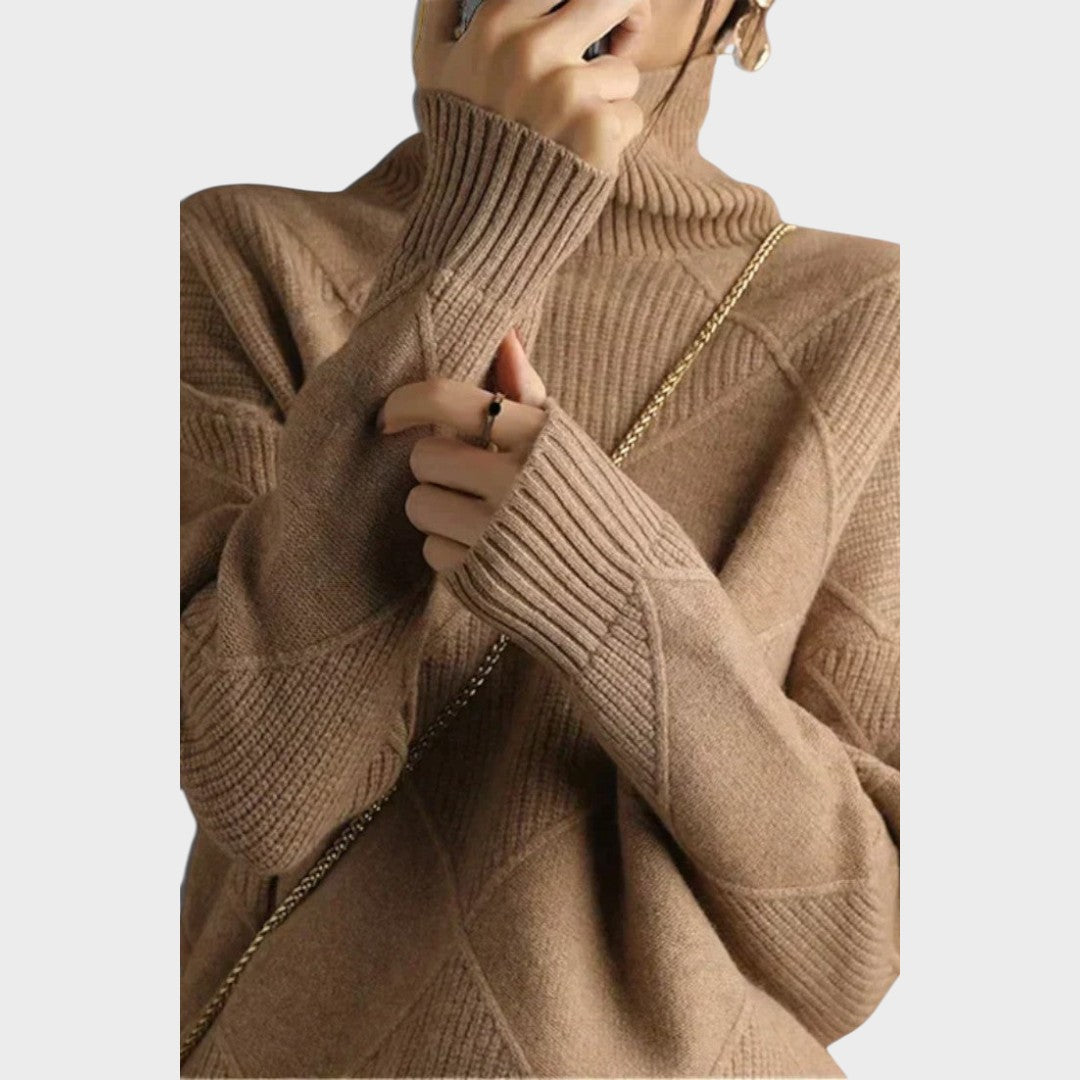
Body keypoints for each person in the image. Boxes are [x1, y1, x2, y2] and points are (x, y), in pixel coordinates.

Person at [179, 1, 900, 1076]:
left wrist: (608, 583)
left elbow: (848, 951)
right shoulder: (248, 253)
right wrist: (484, 220)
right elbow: (260, 790)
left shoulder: (869, 317)